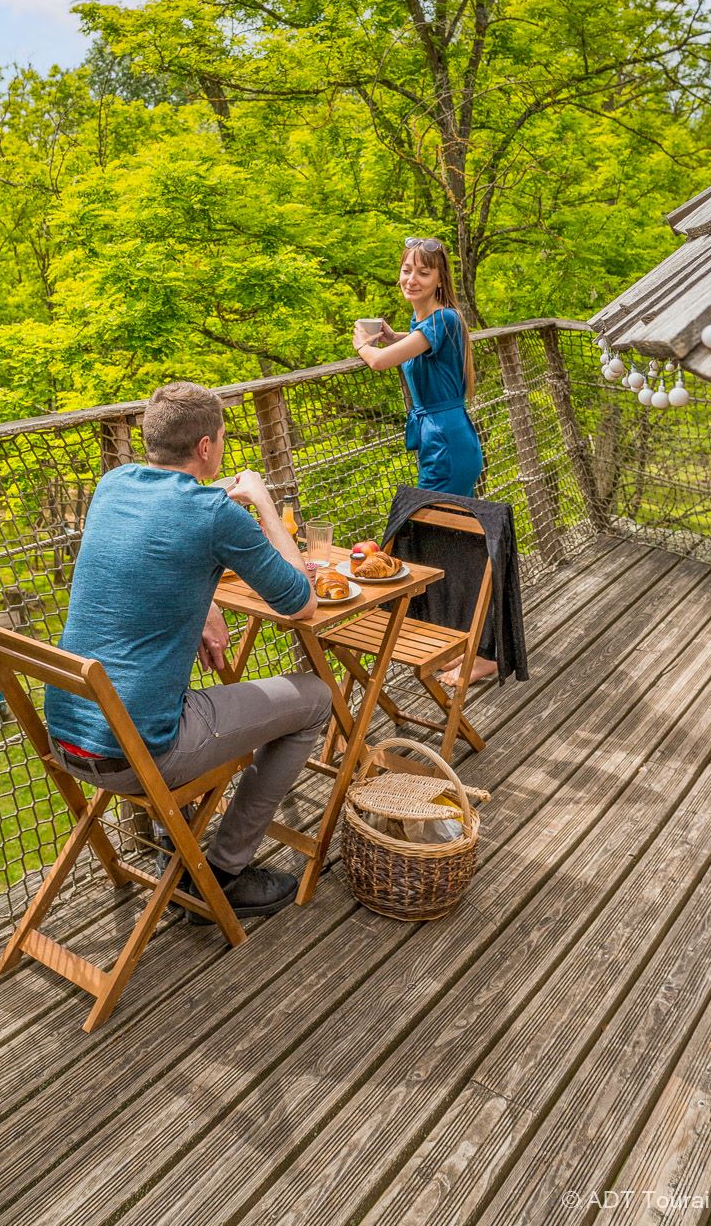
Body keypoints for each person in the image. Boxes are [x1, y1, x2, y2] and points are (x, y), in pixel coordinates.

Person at [43, 380, 329, 917]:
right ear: (206, 447)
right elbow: (301, 602)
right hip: (138, 755)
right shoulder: (216, 516)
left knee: (170, 687)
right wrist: (264, 505)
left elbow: (149, 553)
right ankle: (222, 870)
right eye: (220, 438)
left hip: (66, 737)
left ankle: (174, 842)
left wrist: (204, 604)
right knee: (315, 698)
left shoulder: (113, 484)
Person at [353, 237, 495, 686]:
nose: (411, 279)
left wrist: (363, 343)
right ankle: (466, 644)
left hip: (446, 445)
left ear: (439, 280)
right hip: (443, 438)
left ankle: (484, 652)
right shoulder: (432, 325)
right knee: (449, 540)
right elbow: (414, 352)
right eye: (406, 270)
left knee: (453, 542)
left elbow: (377, 362)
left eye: (423, 272)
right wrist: (397, 337)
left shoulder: (445, 319)